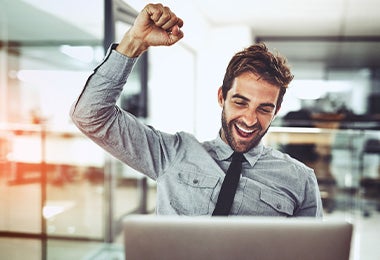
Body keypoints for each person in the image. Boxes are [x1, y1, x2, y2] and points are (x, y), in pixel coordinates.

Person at [70, 3, 323, 217]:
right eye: (240, 102)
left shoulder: (300, 180)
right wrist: (134, 42)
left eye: (264, 109)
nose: (249, 118)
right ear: (221, 97)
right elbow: (89, 115)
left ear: (276, 111)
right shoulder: (171, 154)